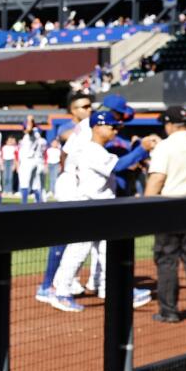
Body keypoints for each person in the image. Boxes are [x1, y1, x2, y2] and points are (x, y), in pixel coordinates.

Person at [48, 112, 153, 312]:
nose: (115, 130)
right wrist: (143, 149)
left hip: (99, 207)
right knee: (78, 251)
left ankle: (110, 288)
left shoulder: (97, 149)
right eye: (111, 127)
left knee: (106, 252)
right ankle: (60, 292)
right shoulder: (91, 150)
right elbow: (120, 165)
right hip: (88, 207)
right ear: (97, 127)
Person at [146, 106, 186, 323]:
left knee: (166, 260)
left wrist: (144, 207)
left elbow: (156, 179)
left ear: (170, 124)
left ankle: (169, 310)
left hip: (170, 207)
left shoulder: (166, 146)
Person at [18, 126, 46, 203]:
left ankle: (24, 203)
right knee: (36, 184)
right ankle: (38, 202)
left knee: (24, 183)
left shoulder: (29, 136)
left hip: (28, 161)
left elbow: (29, 132)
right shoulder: (42, 140)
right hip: (37, 161)